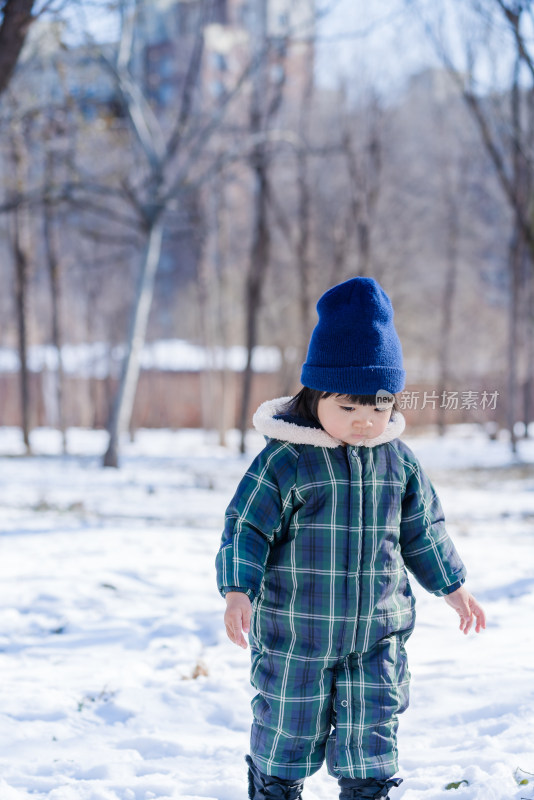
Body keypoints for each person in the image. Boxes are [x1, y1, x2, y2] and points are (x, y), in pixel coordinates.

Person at [215, 277, 486, 800]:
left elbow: (422, 530)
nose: (365, 422)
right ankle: (274, 788)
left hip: (377, 633)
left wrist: (453, 587)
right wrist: (237, 589)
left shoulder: (398, 462)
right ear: (315, 395)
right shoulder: (286, 460)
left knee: (372, 731)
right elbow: (246, 527)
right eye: (348, 409)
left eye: (379, 408)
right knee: (287, 728)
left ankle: (368, 792)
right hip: (299, 634)